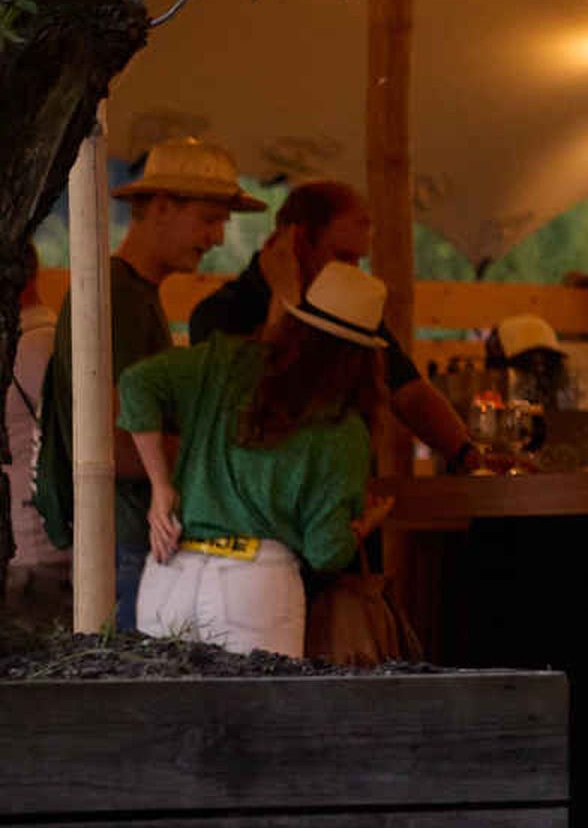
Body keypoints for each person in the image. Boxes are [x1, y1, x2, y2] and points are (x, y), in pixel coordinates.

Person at [37, 137, 258, 629]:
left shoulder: (135, 294)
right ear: (160, 207)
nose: (218, 237)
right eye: (209, 218)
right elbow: (113, 443)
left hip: (133, 538)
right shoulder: (117, 296)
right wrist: (228, 463)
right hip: (127, 542)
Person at [122, 261, 395, 656]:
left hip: (170, 572)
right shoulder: (342, 428)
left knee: (164, 717)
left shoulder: (224, 361)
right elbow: (326, 550)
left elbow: (136, 382)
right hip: (257, 582)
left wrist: (160, 488)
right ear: (365, 358)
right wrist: (363, 526)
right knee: (260, 717)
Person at [190, 179, 477, 472]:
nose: (351, 271)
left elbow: (409, 392)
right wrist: (284, 299)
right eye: (342, 257)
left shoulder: (344, 307)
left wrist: (466, 453)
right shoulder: (219, 314)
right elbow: (255, 406)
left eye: (357, 260)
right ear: (297, 241)